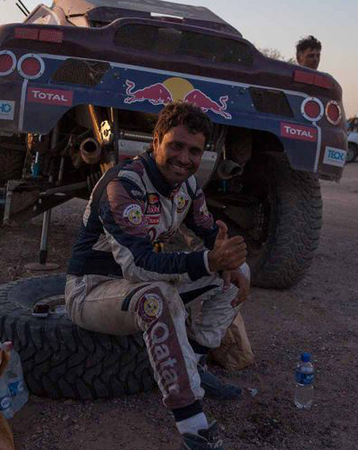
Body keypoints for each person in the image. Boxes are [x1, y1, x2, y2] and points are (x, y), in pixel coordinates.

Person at [65, 102, 250, 450]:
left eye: (194, 150)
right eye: (176, 145)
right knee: (158, 298)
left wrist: (231, 263)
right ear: (155, 141)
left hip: (137, 283)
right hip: (91, 289)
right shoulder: (123, 185)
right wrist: (210, 260)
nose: (184, 158)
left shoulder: (189, 187)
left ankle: (194, 362)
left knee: (237, 272)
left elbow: (209, 234)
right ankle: (193, 428)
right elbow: (138, 265)